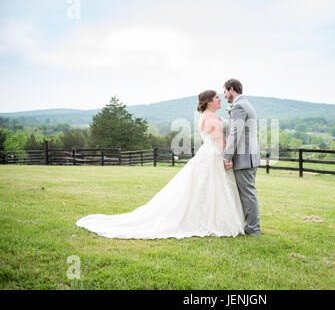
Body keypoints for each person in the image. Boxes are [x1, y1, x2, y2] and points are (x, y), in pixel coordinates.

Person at [76, 90, 245, 239]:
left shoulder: (203, 118)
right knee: (211, 187)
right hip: (213, 154)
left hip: (206, 153)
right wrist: (227, 157)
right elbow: (218, 140)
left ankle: (210, 217)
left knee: (205, 188)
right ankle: (214, 220)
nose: (220, 99)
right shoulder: (212, 119)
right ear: (209, 101)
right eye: (217, 97)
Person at [222, 79, 261, 236]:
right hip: (249, 156)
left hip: (245, 158)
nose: (224, 96)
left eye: (224, 92)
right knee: (248, 193)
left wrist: (227, 156)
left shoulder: (239, 106)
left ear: (232, 90)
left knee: (248, 194)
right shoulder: (245, 104)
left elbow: (235, 134)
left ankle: (253, 229)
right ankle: (251, 226)